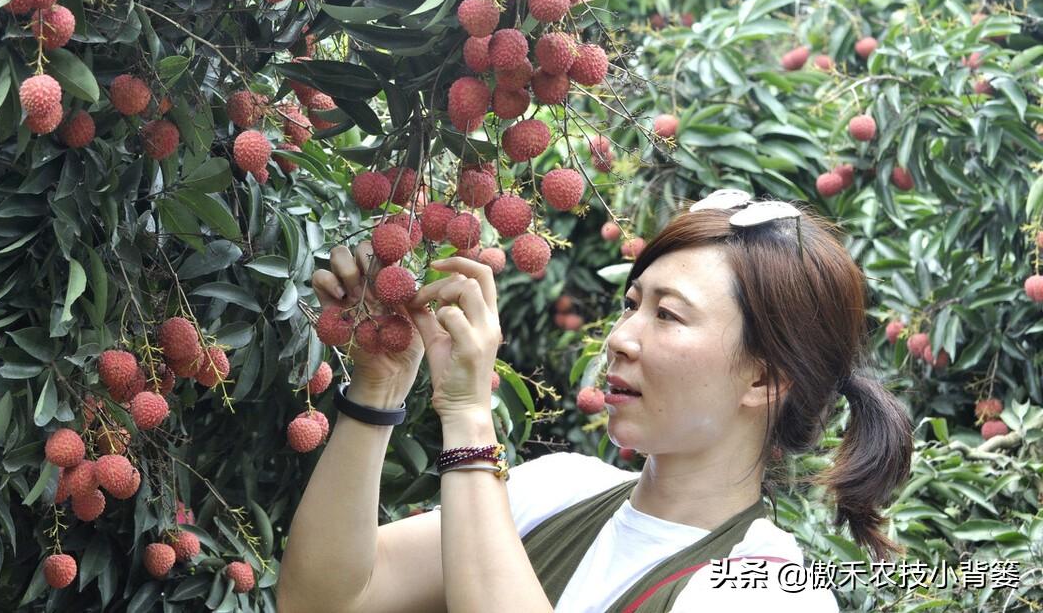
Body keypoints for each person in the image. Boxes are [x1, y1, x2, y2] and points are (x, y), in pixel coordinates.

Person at [276, 189, 913, 613]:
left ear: (763, 380)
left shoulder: (771, 588)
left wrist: (468, 416)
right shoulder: (557, 490)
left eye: (668, 316)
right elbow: (327, 600)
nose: (619, 338)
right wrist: (379, 389)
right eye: (632, 304)